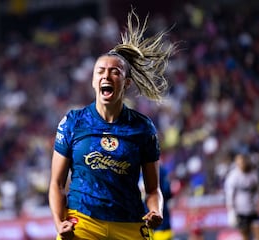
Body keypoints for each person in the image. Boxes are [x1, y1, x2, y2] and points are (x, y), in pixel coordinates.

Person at [48, 9, 177, 240]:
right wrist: (59, 223)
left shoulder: (143, 128)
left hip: (129, 224)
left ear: (126, 83)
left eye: (115, 72)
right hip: (82, 223)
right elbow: (57, 184)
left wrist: (156, 209)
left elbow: (152, 189)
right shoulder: (73, 122)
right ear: (94, 81)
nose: (107, 76)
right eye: (101, 71)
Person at [224, 152, 259, 240]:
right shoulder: (233, 177)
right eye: (239, 162)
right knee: (245, 236)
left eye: (243, 161)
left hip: (253, 210)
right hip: (240, 212)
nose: (242, 164)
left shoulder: (254, 175)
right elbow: (229, 196)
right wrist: (231, 212)